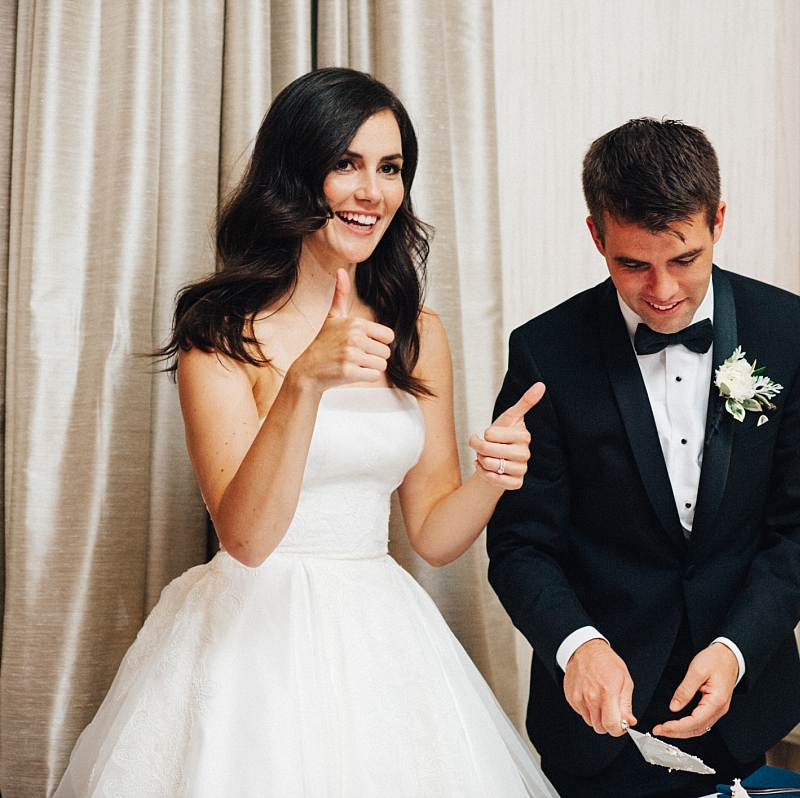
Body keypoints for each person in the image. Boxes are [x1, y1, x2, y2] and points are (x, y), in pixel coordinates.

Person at [54, 68, 558, 798]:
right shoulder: (220, 333)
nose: (372, 191)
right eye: (345, 164)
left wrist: (493, 476)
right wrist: (304, 381)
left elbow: (433, 535)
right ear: (295, 175)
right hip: (253, 637)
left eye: (390, 169)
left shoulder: (419, 334)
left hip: (384, 631)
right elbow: (247, 538)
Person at [487, 118, 800, 797]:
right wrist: (577, 645)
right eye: (632, 264)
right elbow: (520, 545)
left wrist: (737, 649)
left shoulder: (792, 332)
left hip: (742, 711)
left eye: (684, 258)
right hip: (595, 729)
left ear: (717, 220)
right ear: (596, 235)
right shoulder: (546, 351)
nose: (662, 290)